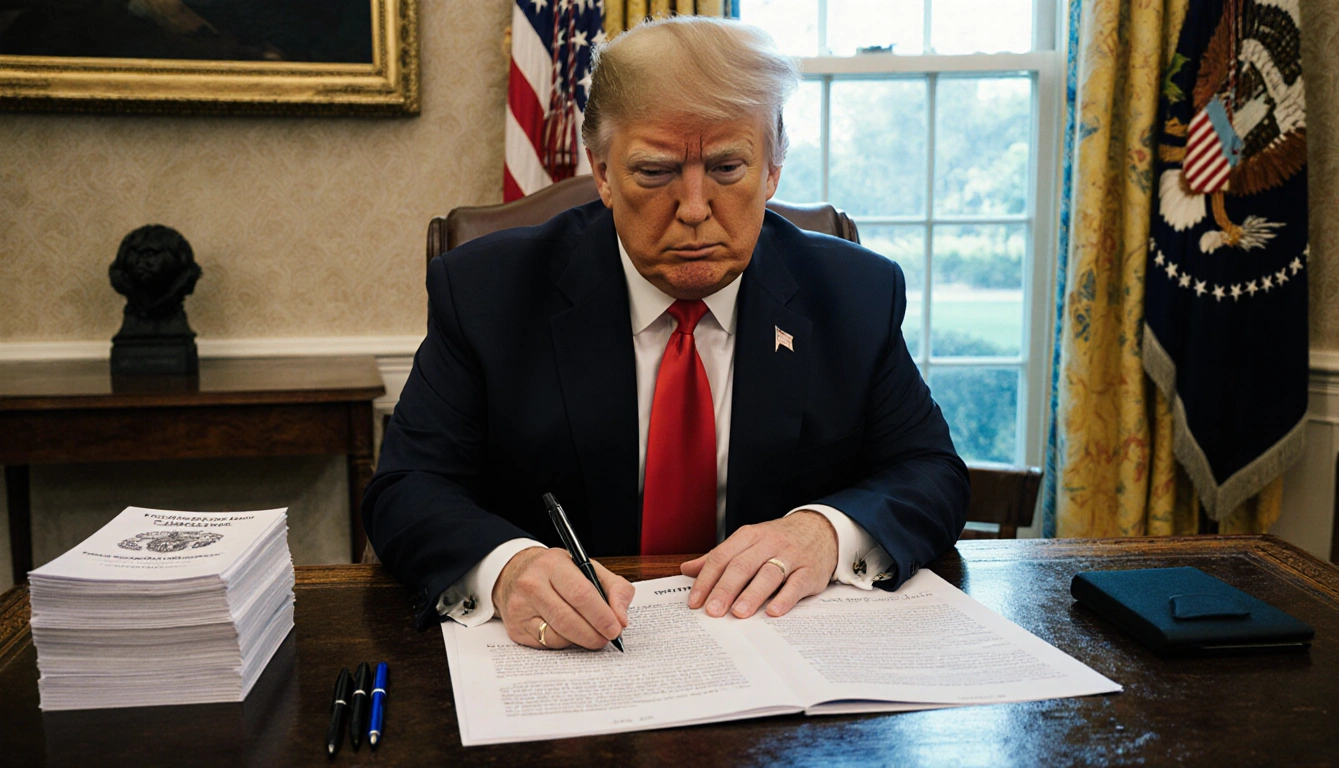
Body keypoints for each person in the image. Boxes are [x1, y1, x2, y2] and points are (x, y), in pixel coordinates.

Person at [363, 16, 969, 649]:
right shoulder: (488, 292)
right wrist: (508, 567)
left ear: (773, 169)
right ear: (601, 171)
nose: (695, 209)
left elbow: (930, 473)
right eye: (654, 172)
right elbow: (407, 489)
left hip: (778, 655)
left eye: (729, 167)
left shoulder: (855, 294)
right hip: (568, 659)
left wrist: (823, 532)